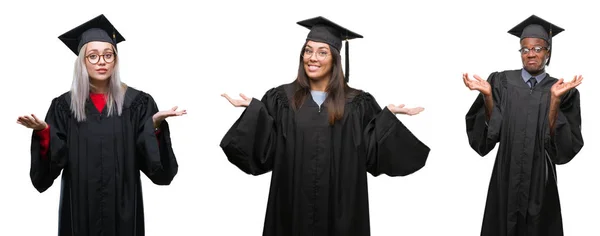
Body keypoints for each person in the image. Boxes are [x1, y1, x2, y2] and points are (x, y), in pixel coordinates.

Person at [220, 16, 430, 236]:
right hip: (292, 209)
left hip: (342, 210)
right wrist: (254, 112)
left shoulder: (357, 103)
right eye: (308, 51)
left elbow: (372, 153)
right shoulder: (280, 99)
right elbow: (264, 151)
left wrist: (386, 119)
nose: (313, 58)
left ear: (335, 59)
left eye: (322, 52)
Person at [16, 14, 185, 236]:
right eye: (93, 56)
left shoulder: (138, 103)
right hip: (79, 205)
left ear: (115, 59)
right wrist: (44, 132)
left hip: (123, 207)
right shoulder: (64, 106)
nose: (102, 61)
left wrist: (153, 126)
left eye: (108, 55)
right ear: (82, 62)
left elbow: (157, 169)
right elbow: (51, 167)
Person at [463, 15, 584, 236]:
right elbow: (489, 136)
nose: (531, 54)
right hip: (505, 176)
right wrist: (489, 97)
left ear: (548, 53)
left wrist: (554, 101)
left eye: (538, 49)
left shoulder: (561, 91)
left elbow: (561, 148)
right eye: (525, 49)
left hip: (541, 180)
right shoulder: (501, 83)